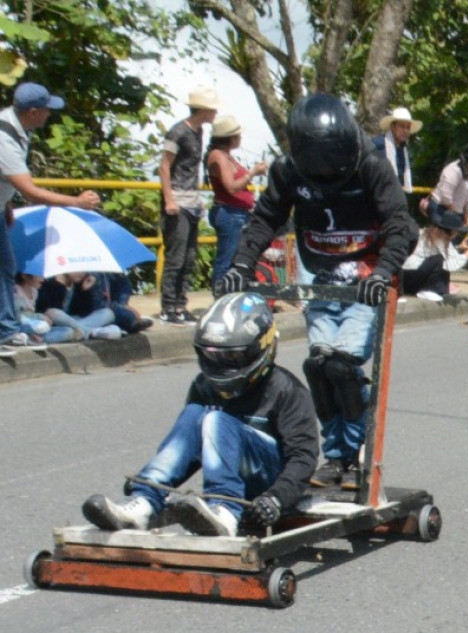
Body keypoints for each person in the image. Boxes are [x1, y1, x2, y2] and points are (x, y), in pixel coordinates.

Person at [217, 93, 417, 490]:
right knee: (321, 366)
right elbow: (265, 219)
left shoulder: (372, 166)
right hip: (320, 277)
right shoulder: (288, 170)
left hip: (366, 281)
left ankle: (355, 452)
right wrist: (240, 265)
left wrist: (383, 272)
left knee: (344, 364)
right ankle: (337, 458)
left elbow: (401, 224)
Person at [81, 292, 318, 537]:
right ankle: (145, 500)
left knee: (216, 418)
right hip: (231, 475)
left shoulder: (287, 390)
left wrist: (276, 498)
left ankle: (225, 509)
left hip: (268, 482)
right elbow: (194, 449)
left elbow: (304, 457)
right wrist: (158, 481)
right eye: (213, 355)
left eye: (232, 356)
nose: (222, 364)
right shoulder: (204, 386)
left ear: (261, 347)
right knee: (196, 413)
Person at [0, 82, 99, 355]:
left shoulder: (18, 126)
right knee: (3, 269)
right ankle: (5, 331)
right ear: (32, 112)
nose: (49, 114)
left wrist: (6, 203)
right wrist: (76, 202)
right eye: (46, 109)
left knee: (6, 267)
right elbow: (30, 191)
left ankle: (6, 330)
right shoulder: (4, 138)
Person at [158, 86, 220, 326]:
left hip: (191, 199)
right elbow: (164, 165)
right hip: (177, 200)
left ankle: (180, 305)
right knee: (176, 256)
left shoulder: (199, 132)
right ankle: (168, 306)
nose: (214, 113)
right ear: (203, 109)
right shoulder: (177, 132)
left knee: (189, 257)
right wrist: (169, 199)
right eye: (212, 109)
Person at [205, 114, 268, 288]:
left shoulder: (226, 156)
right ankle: (220, 294)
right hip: (230, 213)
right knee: (227, 258)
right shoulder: (218, 156)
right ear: (230, 138)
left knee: (236, 257)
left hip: (237, 212)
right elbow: (231, 187)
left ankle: (230, 292)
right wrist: (252, 172)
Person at [402, 211, 468, 301]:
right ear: (450, 230)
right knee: (440, 261)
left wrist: (459, 247)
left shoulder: (431, 233)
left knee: (439, 260)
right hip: (413, 274)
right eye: (456, 231)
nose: (457, 233)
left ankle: (429, 290)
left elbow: (445, 253)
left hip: (407, 277)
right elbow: (452, 264)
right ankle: (431, 290)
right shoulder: (440, 238)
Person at [427, 143, 468, 227]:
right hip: (440, 208)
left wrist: (466, 215)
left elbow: (467, 195)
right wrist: (456, 216)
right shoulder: (454, 170)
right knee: (440, 238)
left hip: (455, 211)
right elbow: (446, 197)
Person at [373, 106, 422, 193]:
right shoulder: (377, 144)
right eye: (402, 126)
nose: (405, 131)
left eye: (408, 127)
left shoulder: (404, 150)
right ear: (392, 127)